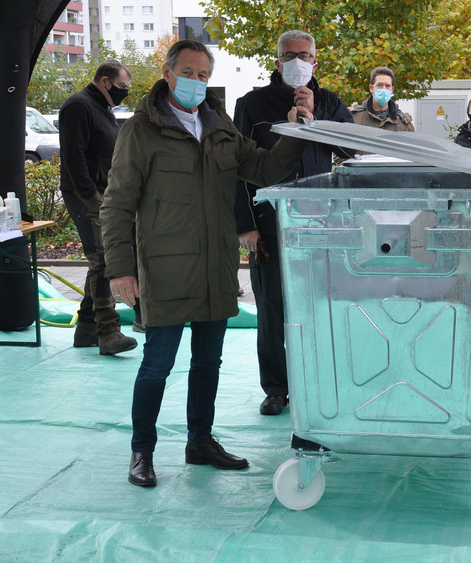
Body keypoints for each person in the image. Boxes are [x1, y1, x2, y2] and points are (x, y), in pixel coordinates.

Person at [100, 40, 311, 488]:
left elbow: (265, 168)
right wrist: (120, 268)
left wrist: (293, 131)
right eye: (189, 72)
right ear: (168, 72)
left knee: (208, 362)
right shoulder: (142, 130)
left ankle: (200, 441)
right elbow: (117, 204)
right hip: (166, 266)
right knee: (157, 364)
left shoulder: (219, 127)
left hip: (216, 267)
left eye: (203, 75)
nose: (196, 82)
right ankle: (142, 451)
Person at [233, 30, 354, 417]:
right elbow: (236, 168)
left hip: (321, 223)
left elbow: (352, 152)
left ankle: (317, 381)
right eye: (289, 55)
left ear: (316, 61)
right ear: (277, 61)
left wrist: (314, 118)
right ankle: (276, 388)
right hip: (269, 224)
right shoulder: (252, 104)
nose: (297, 61)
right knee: (271, 308)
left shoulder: (331, 102)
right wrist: (245, 226)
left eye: (304, 54)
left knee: (320, 306)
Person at [59, 59, 139, 355]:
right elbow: (73, 156)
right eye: (122, 87)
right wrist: (92, 197)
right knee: (103, 261)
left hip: (103, 193)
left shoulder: (103, 108)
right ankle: (108, 332)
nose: (124, 94)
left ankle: (86, 329)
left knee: (102, 260)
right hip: (87, 196)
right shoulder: (78, 106)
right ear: (104, 81)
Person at [349, 66, 414, 132]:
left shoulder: (403, 123)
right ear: (371, 88)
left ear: (392, 89)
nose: (384, 89)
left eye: (387, 86)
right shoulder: (354, 117)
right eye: (379, 85)